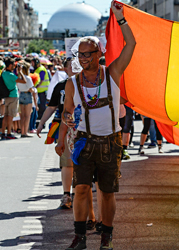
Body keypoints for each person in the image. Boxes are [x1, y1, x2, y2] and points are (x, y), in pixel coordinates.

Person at [57, 2, 136, 249]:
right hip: (83, 141)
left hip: (110, 142)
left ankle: (106, 236)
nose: (83, 59)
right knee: (80, 190)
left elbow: (131, 44)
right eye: (80, 55)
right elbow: (66, 113)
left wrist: (121, 18)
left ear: (99, 54)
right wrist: (63, 135)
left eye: (88, 54)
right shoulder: (72, 82)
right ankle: (80, 236)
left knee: (107, 191)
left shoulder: (112, 72)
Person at [38, 57, 76, 209]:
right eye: (72, 66)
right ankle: (66, 195)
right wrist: (41, 123)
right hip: (65, 129)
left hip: (86, 130)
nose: (75, 68)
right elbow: (51, 107)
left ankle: (80, 194)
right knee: (67, 163)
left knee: (83, 164)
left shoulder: (88, 84)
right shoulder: (61, 86)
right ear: (65, 69)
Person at [0, 58, 26, 140]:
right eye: (13, 65)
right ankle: (9, 133)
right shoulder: (11, 75)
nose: (14, 67)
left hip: (5, 96)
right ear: (10, 65)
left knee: (5, 116)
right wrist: (20, 72)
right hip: (13, 96)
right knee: (10, 116)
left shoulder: (3, 74)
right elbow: (24, 81)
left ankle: (3, 132)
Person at [16, 62, 35, 138]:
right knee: (27, 116)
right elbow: (30, 89)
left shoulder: (18, 77)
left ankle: (22, 131)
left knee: (22, 116)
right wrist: (33, 90)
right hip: (27, 95)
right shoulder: (28, 78)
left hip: (21, 95)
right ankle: (25, 132)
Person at [31, 57, 50, 122]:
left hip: (42, 91)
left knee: (42, 106)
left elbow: (41, 80)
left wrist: (35, 87)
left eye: (33, 63)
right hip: (39, 91)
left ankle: (41, 119)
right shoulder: (37, 69)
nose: (32, 64)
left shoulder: (41, 69)